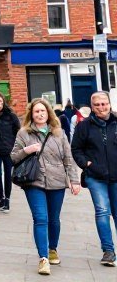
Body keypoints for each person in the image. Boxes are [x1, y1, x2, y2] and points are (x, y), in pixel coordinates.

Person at [11, 97, 81, 276]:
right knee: (40, 218)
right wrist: (27, 150)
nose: (40, 114)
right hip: (34, 180)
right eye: (36, 111)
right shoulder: (23, 133)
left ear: (48, 113)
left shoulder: (59, 133)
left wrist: (74, 181)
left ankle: (52, 249)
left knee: (54, 219)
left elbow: (68, 158)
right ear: (31, 114)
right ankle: (43, 258)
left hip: (57, 180)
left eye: (43, 111)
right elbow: (13, 157)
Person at [70, 91, 117, 267]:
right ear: (92, 107)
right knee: (102, 211)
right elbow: (76, 149)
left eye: (104, 104)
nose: (101, 107)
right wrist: (86, 164)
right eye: (97, 105)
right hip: (95, 176)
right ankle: (108, 251)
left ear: (109, 104)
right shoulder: (84, 126)